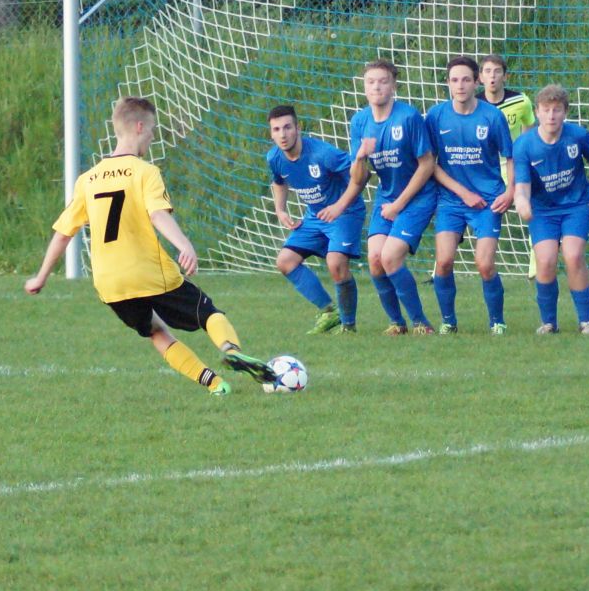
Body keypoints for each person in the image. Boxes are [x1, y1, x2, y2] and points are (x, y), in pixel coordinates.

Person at [24, 96, 274, 396]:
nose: (153, 137)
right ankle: (231, 349)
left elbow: (64, 233)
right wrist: (184, 244)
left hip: (110, 284)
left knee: (156, 331)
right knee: (206, 312)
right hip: (147, 271)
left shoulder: (87, 180)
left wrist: (41, 276)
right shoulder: (145, 172)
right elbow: (157, 214)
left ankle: (215, 384)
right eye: (153, 129)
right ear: (139, 127)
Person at [425, 55, 514, 335]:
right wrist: (463, 192)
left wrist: (510, 191)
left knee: (484, 264)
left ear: (476, 82)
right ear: (448, 84)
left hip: (487, 201)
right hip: (452, 201)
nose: (460, 85)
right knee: (443, 262)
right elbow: (430, 164)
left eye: (466, 79)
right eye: (454, 80)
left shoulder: (492, 117)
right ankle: (448, 322)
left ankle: (497, 322)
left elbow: (510, 157)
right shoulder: (436, 116)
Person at [349, 59, 437, 335]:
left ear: (393, 86)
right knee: (375, 259)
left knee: (390, 257)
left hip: (417, 197)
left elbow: (427, 164)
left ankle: (421, 322)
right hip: (386, 197)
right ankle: (397, 323)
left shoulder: (408, 117)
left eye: (383, 81)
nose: (376, 87)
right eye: (371, 82)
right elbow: (358, 178)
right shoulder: (359, 121)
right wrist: (360, 157)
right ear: (364, 87)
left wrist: (399, 205)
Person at [513, 84, 589, 335]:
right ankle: (549, 323)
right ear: (537, 112)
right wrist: (522, 201)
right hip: (543, 210)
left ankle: (586, 321)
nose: (551, 115)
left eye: (557, 110)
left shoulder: (577, 136)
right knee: (545, 260)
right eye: (546, 110)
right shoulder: (524, 145)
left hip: (576, 205)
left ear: (565, 112)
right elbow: (522, 186)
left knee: (573, 256)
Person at [267, 105, 366, 334]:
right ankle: (329, 311)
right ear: (271, 134)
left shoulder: (323, 153)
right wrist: (280, 210)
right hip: (315, 216)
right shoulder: (274, 157)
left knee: (335, 263)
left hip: (345, 212)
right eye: (277, 129)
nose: (283, 134)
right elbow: (279, 182)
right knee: (285, 261)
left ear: (298, 128)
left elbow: (361, 176)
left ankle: (348, 326)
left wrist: (339, 206)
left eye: (287, 127)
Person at [478, 53, 539, 279]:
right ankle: (440, 269)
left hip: (514, 165)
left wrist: (525, 163)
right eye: (487, 72)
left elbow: (529, 133)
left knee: (531, 208)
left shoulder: (521, 101)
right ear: (480, 77)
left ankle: (537, 267)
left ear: (505, 76)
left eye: (497, 72)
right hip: (484, 168)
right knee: (456, 210)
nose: (492, 76)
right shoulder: (474, 104)